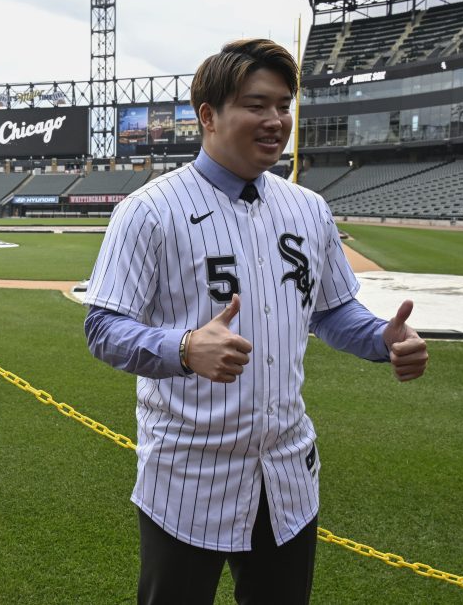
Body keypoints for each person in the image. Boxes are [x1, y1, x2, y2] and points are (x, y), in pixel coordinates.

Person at [83, 38, 429, 605]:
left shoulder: (308, 208)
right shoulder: (148, 210)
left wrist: (380, 339)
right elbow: (102, 328)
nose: (275, 120)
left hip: (287, 478)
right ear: (208, 115)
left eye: (283, 105)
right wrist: (185, 346)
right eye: (256, 104)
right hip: (187, 479)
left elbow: (331, 309)